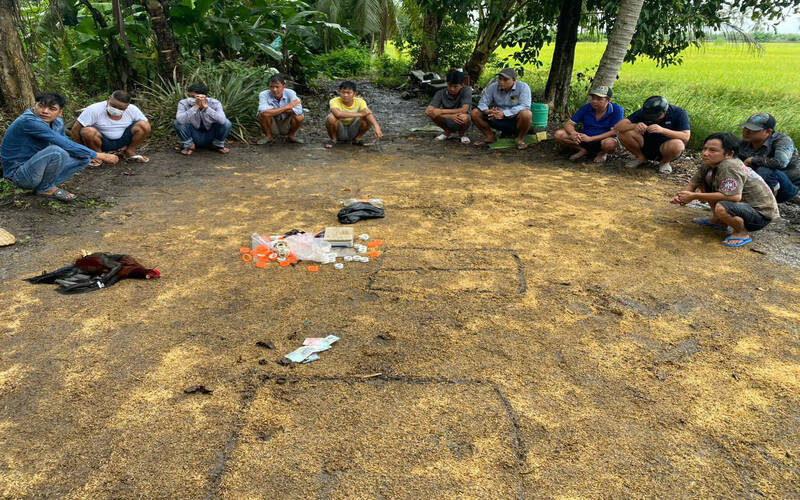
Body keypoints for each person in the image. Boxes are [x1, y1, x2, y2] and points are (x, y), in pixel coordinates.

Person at [1, 93, 119, 201]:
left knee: (84, 157)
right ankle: (46, 188)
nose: (45, 111)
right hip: (19, 175)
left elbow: (65, 142)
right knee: (57, 151)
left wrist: (89, 154)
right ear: (34, 105)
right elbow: (60, 143)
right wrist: (99, 154)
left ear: (60, 112)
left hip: (37, 167)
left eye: (52, 109)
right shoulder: (28, 121)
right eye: (41, 106)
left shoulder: (58, 122)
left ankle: (45, 186)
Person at [671, 132, 779, 248]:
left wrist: (694, 196)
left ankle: (741, 232)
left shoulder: (730, 166)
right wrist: (682, 196)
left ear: (729, 154)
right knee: (706, 180)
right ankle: (719, 220)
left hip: (760, 215)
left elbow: (734, 197)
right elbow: (694, 183)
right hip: (744, 206)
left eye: (713, 150)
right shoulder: (709, 163)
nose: (705, 153)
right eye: (705, 149)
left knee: (722, 206)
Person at [615, 95, 690, 174]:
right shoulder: (644, 111)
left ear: (665, 111)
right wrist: (634, 126)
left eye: (656, 116)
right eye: (649, 116)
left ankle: (665, 162)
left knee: (678, 144)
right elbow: (618, 127)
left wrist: (662, 130)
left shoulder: (679, 113)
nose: (653, 119)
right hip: (645, 143)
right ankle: (640, 157)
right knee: (623, 133)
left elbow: (685, 136)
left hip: (666, 147)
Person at [71, 90, 151, 164]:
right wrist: (83, 151)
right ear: (108, 99)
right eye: (113, 106)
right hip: (100, 142)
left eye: (121, 108)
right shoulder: (94, 109)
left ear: (127, 107)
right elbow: (75, 129)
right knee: (87, 131)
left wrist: (127, 146)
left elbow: (145, 128)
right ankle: (98, 156)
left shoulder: (133, 109)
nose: (116, 110)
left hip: (123, 140)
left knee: (144, 125)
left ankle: (129, 151)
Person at [737, 113, 800, 203]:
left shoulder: (782, 140)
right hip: (757, 184)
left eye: (752, 129)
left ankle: (766, 206)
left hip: (788, 186)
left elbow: (781, 162)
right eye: (745, 128)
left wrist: (753, 160)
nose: (746, 131)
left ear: (768, 132)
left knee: (765, 170)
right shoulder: (745, 143)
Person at [553, 86, 623, 163]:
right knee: (559, 134)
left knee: (610, 143)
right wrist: (574, 134)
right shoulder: (586, 107)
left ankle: (602, 153)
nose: (594, 101)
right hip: (583, 138)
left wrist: (591, 138)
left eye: (599, 99)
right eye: (593, 98)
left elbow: (614, 132)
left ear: (608, 100)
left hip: (602, 140)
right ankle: (582, 150)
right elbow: (569, 124)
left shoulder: (617, 110)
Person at [471, 68, 532, 149]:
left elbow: (525, 105)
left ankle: (519, 139)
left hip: (514, 118)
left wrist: (504, 113)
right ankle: (490, 137)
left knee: (527, 114)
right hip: (495, 116)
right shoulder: (493, 87)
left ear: (514, 80)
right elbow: (482, 103)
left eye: (505, 80)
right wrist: (487, 111)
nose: (501, 82)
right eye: (500, 79)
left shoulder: (523, 87)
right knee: (475, 113)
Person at [174, 83, 232, 155]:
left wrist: (207, 108)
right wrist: (195, 107)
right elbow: (180, 120)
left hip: (211, 135)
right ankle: (189, 145)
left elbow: (223, 121)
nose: (190, 98)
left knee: (227, 123)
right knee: (177, 123)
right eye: (189, 96)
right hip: (194, 136)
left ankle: (217, 145)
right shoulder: (183, 103)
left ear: (204, 96)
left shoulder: (214, 103)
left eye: (193, 97)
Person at [325, 81, 383, 148]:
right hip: (339, 130)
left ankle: (357, 139)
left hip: (353, 129)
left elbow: (367, 113)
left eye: (348, 93)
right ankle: (333, 139)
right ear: (339, 92)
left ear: (354, 94)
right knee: (331, 117)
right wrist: (360, 114)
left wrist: (377, 127)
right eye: (343, 92)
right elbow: (337, 114)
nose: (345, 95)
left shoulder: (360, 101)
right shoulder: (334, 101)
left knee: (366, 118)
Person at [425, 70, 472, 144]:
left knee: (464, 117)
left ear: (462, 85)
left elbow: (464, 109)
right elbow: (428, 111)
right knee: (432, 113)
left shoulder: (466, 90)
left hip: (460, 117)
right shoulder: (440, 93)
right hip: (448, 118)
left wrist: (441, 111)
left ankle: (462, 134)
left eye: (455, 86)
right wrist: (450, 116)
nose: (452, 89)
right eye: (449, 85)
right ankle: (447, 132)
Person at [257, 74, 305, 145]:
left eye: (277, 87)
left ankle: (291, 136)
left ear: (283, 86)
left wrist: (273, 110)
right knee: (262, 115)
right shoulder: (263, 94)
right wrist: (287, 107)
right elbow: (263, 112)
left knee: (299, 117)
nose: (274, 90)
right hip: (273, 123)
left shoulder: (290, 93)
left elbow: (299, 110)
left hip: (286, 122)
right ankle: (268, 136)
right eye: (271, 87)